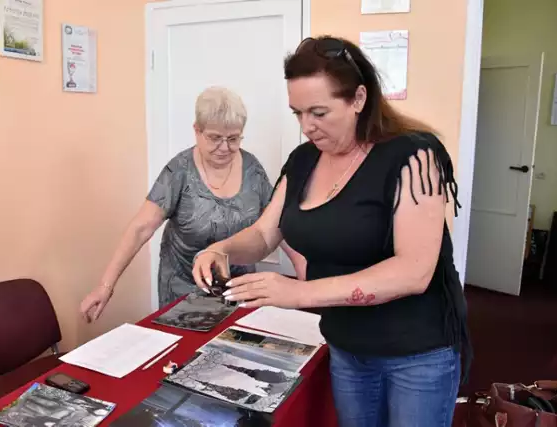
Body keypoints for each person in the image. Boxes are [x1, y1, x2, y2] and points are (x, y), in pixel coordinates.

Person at [192, 36, 472, 427]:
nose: (307, 126)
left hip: (416, 353)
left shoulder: (413, 155)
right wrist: (221, 249)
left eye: (319, 112)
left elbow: (414, 271)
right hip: (346, 346)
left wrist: (300, 292)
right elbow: (264, 234)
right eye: (298, 113)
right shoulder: (304, 160)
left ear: (358, 98)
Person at [81, 86, 305, 321]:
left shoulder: (252, 169)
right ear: (197, 131)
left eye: (233, 138)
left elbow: (276, 224)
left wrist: (304, 274)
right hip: (183, 294)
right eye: (215, 138)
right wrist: (106, 286)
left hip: (237, 291)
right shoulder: (179, 171)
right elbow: (141, 228)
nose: (225, 148)